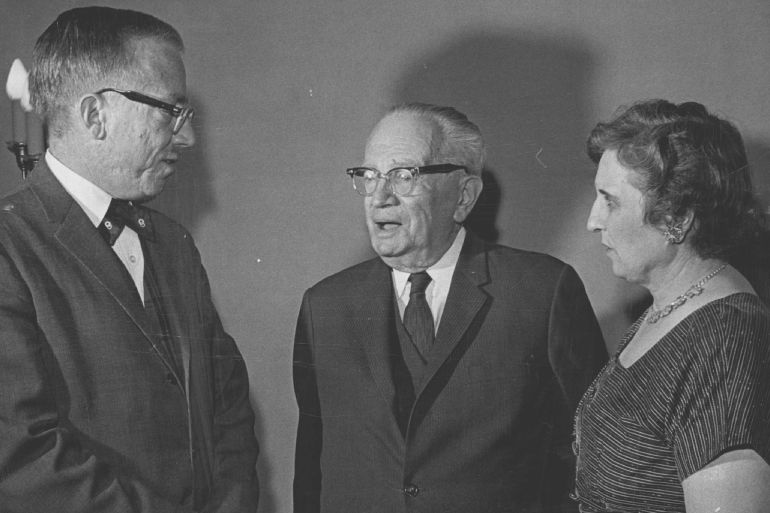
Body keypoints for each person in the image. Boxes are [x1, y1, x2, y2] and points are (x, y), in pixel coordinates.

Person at [0, 7, 259, 512]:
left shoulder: (174, 244)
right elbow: (22, 452)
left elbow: (228, 406)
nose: (187, 138)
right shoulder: (9, 248)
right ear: (96, 114)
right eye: (171, 112)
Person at [293, 102, 607, 512]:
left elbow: (598, 457)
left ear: (463, 196)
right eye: (368, 177)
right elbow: (311, 470)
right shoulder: (326, 307)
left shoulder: (541, 292)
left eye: (404, 176)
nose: (380, 197)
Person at [573, 99, 770, 512]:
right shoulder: (670, 305)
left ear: (676, 216)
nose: (593, 221)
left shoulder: (721, 341)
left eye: (610, 201)